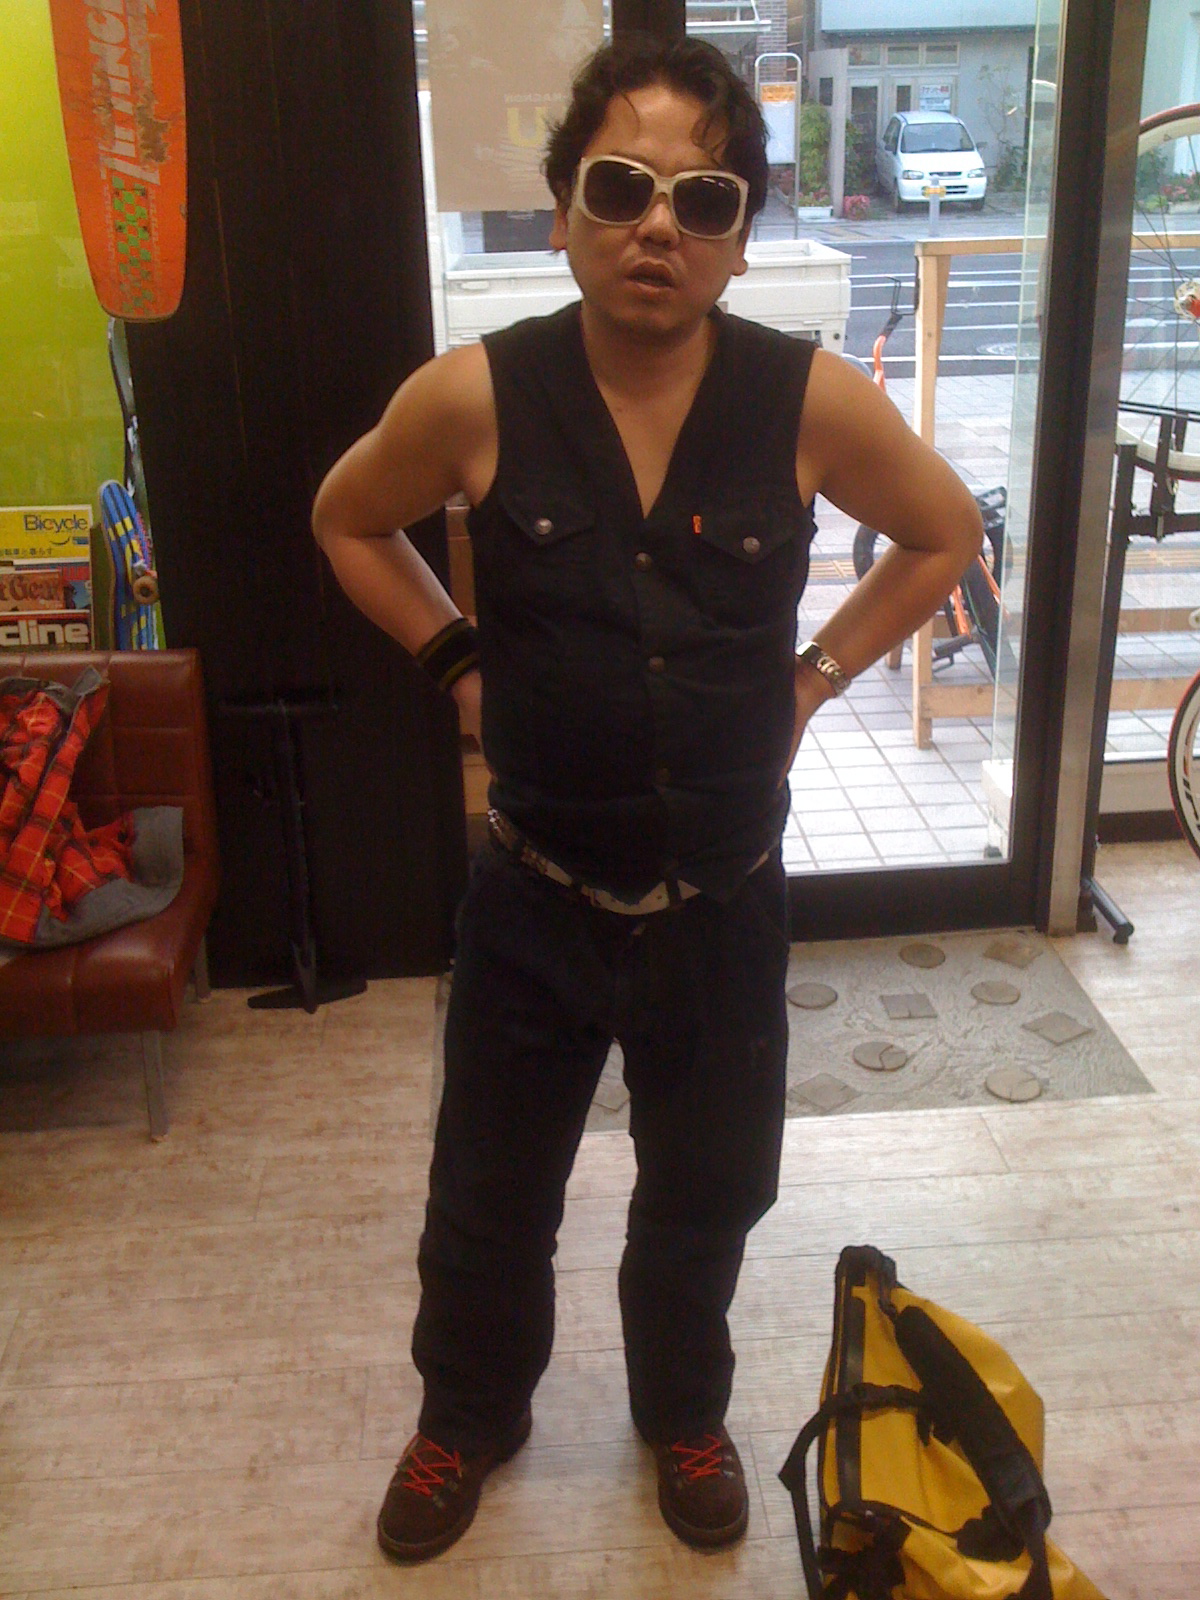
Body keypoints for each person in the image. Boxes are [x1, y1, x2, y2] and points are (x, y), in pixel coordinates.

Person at [312, 34, 982, 1564]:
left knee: (707, 1196)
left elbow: (942, 533)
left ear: (739, 237)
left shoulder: (806, 401)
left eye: (704, 197)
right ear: (564, 212)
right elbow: (349, 519)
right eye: (621, 188)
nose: (657, 226)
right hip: (533, 897)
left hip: (720, 904)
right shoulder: (476, 395)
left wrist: (813, 679)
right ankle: (469, 1411)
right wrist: (455, 661)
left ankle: (684, 1410)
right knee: (487, 1198)